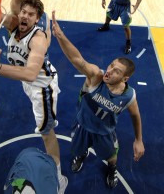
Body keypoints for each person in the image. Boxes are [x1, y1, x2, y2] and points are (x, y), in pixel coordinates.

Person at [0, 0, 67, 193]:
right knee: (44, 126)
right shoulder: (14, 24)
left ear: (37, 18)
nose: (25, 15)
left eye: (30, 13)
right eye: (23, 11)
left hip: (41, 86)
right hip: (29, 84)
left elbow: (30, 73)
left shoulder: (38, 37)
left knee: (47, 132)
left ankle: (58, 178)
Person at [52, 10, 145, 188]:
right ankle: (81, 155)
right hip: (83, 125)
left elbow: (136, 116)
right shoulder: (96, 76)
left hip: (105, 132)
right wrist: (61, 36)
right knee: (78, 148)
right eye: (111, 65)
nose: (109, 71)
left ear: (125, 79)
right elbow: (77, 59)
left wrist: (138, 139)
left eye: (116, 71)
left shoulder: (129, 95)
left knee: (111, 156)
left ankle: (112, 168)